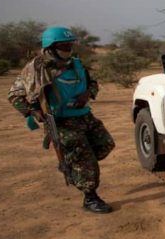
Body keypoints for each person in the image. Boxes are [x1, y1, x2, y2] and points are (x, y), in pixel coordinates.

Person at [8, 26, 115, 213]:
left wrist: (87, 94)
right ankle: (90, 198)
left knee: (105, 144)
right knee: (85, 159)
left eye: (70, 44)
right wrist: (32, 112)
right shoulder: (36, 69)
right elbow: (14, 96)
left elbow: (93, 83)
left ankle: (72, 163)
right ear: (50, 47)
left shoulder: (77, 64)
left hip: (84, 116)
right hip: (61, 122)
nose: (68, 49)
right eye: (63, 45)